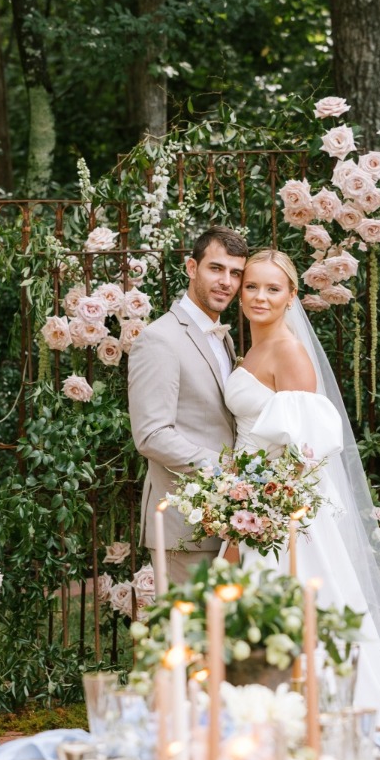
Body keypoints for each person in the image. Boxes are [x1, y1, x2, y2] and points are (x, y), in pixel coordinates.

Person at [224, 248, 380, 725]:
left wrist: (259, 514)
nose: (259, 297)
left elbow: (307, 453)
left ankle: (319, 719)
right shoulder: (255, 347)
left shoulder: (287, 350)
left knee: (295, 611)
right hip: (253, 499)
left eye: (273, 288)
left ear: (292, 297)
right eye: (251, 286)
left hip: (281, 512)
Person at [128, 226, 248, 585]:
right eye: (216, 268)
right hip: (184, 524)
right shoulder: (160, 339)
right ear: (191, 268)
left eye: (236, 273)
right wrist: (230, 472)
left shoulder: (221, 337)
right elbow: (151, 435)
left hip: (227, 522)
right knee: (188, 637)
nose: (226, 281)